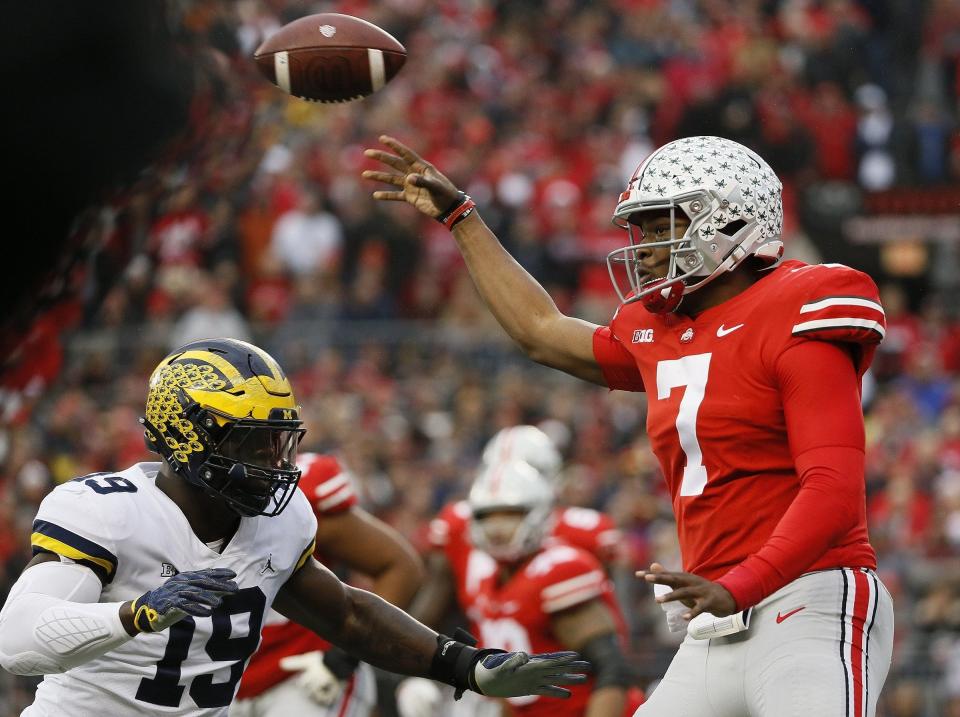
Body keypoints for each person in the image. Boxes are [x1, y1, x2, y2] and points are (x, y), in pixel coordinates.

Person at [363, 134, 895, 716]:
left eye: (661, 226)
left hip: (807, 600)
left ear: (728, 220)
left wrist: (741, 583)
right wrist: (460, 216)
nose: (641, 248)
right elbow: (540, 330)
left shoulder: (800, 305)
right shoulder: (662, 332)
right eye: (639, 229)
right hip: (714, 617)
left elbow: (835, 490)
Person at [0, 338, 588, 716]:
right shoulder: (107, 511)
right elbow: (17, 641)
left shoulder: (280, 522)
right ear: (187, 436)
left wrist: (464, 666)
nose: (275, 465)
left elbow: (349, 614)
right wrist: (134, 615)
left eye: (280, 443)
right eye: (253, 443)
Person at [398, 460, 641, 717]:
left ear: (539, 513)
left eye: (510, 514)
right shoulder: (484, 579)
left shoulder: (558, 568)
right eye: (488, 516)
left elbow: (614, 669)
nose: (498, 528)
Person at [233, 452, 426, 717]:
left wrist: (342, 658)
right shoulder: (173, 504)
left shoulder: (294, 495)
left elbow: (399, 567)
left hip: (300, 675)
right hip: (221, 678)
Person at [413, 425, 622, 633]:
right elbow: (434, 604)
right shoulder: (459, 523)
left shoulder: (585, 530)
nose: (510, 479)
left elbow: (605, 613)